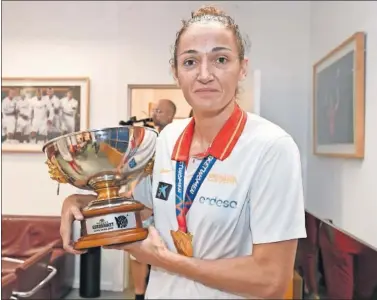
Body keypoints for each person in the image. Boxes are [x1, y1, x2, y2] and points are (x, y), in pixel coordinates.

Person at [59, 5, 306, 299]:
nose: (204, 74)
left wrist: (166, 260)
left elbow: (271, 281)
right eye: (190, 62)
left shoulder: (271, 147)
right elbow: (144, 207)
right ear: (175, 73)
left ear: (242, 68)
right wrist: (81, 202)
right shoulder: (168, 137)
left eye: (221, 59)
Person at [129, 98, 177, 300]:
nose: (155, 113)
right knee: (137, 251)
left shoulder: (175, 137)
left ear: (170, 115)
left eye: (159, 110)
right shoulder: (146, 136)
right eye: (154, 110)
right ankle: (140, 294)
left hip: (166, 197)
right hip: (144, 193)